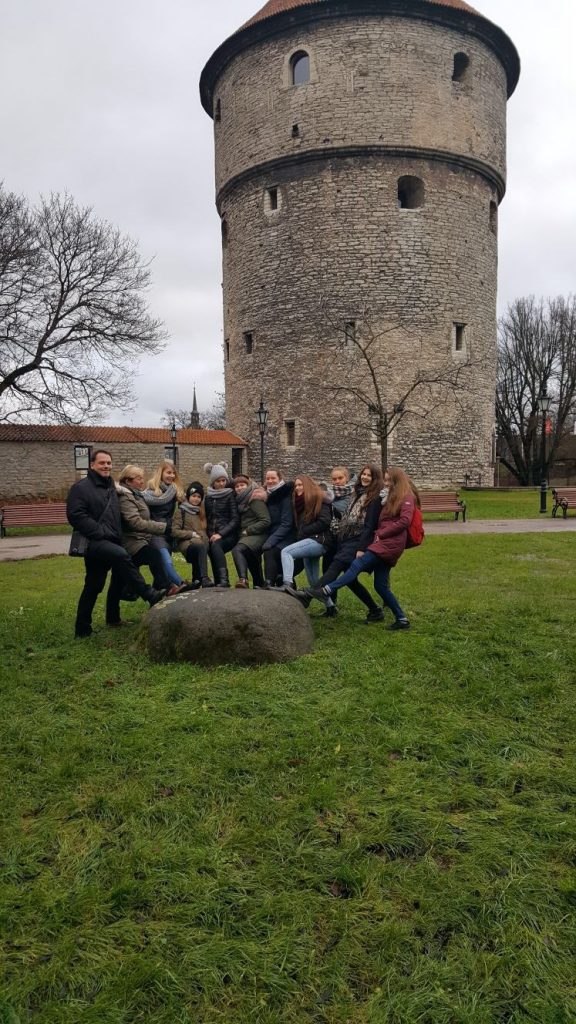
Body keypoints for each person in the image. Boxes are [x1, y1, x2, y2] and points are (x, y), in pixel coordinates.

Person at [66, 449, 166, 638]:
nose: (106, 466)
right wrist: (99, 532)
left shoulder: (111, 487)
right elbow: (75, 515)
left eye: (109, 463)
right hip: (94, 541)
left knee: (105, 581)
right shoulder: (80, 488)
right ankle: (148, 594)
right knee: (119, 558)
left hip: (111, 540)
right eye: (102, 463)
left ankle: (102, 622)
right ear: (92, 465)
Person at [304, 466, 415, 629]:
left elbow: (405, 521)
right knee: (380, 586)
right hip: (383, 542)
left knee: (356, 565)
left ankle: (325, 590)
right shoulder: (387, 497)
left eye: (389, 480)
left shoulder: (405, 497)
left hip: (388, 543)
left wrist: (380, 533)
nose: (386, 483)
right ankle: (401, 619)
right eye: (385, 480)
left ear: (397, 481)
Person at [289, 463, 385, 621]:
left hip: (358, 539)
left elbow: (369, 526)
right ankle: (374, 610)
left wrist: (361, 548)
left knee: (337, 565)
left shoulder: (373, 497)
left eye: (369, 475)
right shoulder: (356, 493)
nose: (365, 477)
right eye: (364, 474)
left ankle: (310, 594)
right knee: (349, 579)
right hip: (342, 538)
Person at [116, 465, 184, 605]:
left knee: (117, 580)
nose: (142, 481)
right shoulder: (126, 497)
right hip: (132, 541)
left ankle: (116, 612)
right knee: (155, 556)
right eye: (139, 478)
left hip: (141, 539)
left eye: (142, 478)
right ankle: (168, 586)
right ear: (128, 481)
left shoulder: (137, 494)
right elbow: (135, 522)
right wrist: (162, 527)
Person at [142, 460, 189, 589]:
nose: (172, 476)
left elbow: (187, 507)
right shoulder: (148, 492)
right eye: (168, 472)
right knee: (166, 562)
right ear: (160, 473)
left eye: (174, 473)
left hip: (169, 533)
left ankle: (157, 597)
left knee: (159, 570)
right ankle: (182, 584)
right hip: (155, 533)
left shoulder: (174, 491)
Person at [280, 475, 332, 588]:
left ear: (308, 486)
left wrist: (304, 531)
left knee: (286, 552)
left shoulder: (319, 499)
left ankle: (287, 584)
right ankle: (330, 605)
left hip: (319, 541)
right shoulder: (300, 503)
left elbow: (324, 521)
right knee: (313, 580)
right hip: (309, 541)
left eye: (300, 485)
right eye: (296, 486)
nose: (297, 488)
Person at [231, 474, 271, 588]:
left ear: (248, 485)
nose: (239, 488)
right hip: (247, 536)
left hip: (258, 534)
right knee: (252, 559)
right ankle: (259, 584)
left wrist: (248, 530)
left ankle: (243, 580)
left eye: (242, 485)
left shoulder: (255, 499)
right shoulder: (240, 502)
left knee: (238, 550)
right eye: (237, 486)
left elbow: (266, 520)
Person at [204, 462, 240, 588]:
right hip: (212, 534)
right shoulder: (207, 497)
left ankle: (224, 580)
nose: (221, 483)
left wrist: (220, 534)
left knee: (215, 545)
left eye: (223, 480)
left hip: (228, 535)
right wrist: (209, 534)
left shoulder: (230, 495)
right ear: (213, 482)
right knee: (208, 546)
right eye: (218, 481)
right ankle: (218, 580)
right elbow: (207, 519)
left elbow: (235, 519)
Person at [172, 481, 214, 587]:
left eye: (199, 497)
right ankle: (204, 578)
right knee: (199, 546)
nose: (196, 499)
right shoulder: (181, 511)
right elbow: (174, 531)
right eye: (194, 496)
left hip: (200, 543)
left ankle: (197, 580)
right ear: (188, 496)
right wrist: (192, 534)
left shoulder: (200, 512)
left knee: (201, 546)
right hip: (186, 543)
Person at [261, 469, 295, 587]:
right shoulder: (267, 495)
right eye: (268, 478)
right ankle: (270, 581)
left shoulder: (285, 496)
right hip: (273, 533)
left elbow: (286, 523)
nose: (270, 481)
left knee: (270, 551)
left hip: (287, 535)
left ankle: (268, 583)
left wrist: (271, 541)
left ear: (280, 479)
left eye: (273, 478)